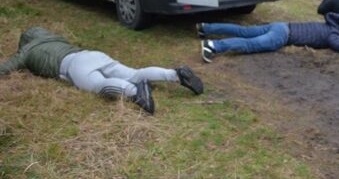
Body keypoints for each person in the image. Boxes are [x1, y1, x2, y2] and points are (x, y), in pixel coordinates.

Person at [0, 27, 204, 114]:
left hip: (72, 67)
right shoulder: (56, 38)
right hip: (92, 54)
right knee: (134, 72)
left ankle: (135, 93)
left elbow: (6, 68)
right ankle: (175, 74)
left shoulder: (27, 50)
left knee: (98, 85)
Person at [197, 12, 339, 63]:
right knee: (250, 44)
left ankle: (205, 27)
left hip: (281, 25)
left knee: (244, 31)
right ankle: (213, 45)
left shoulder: (327, 24)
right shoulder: (333, 34)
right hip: (282, 36)